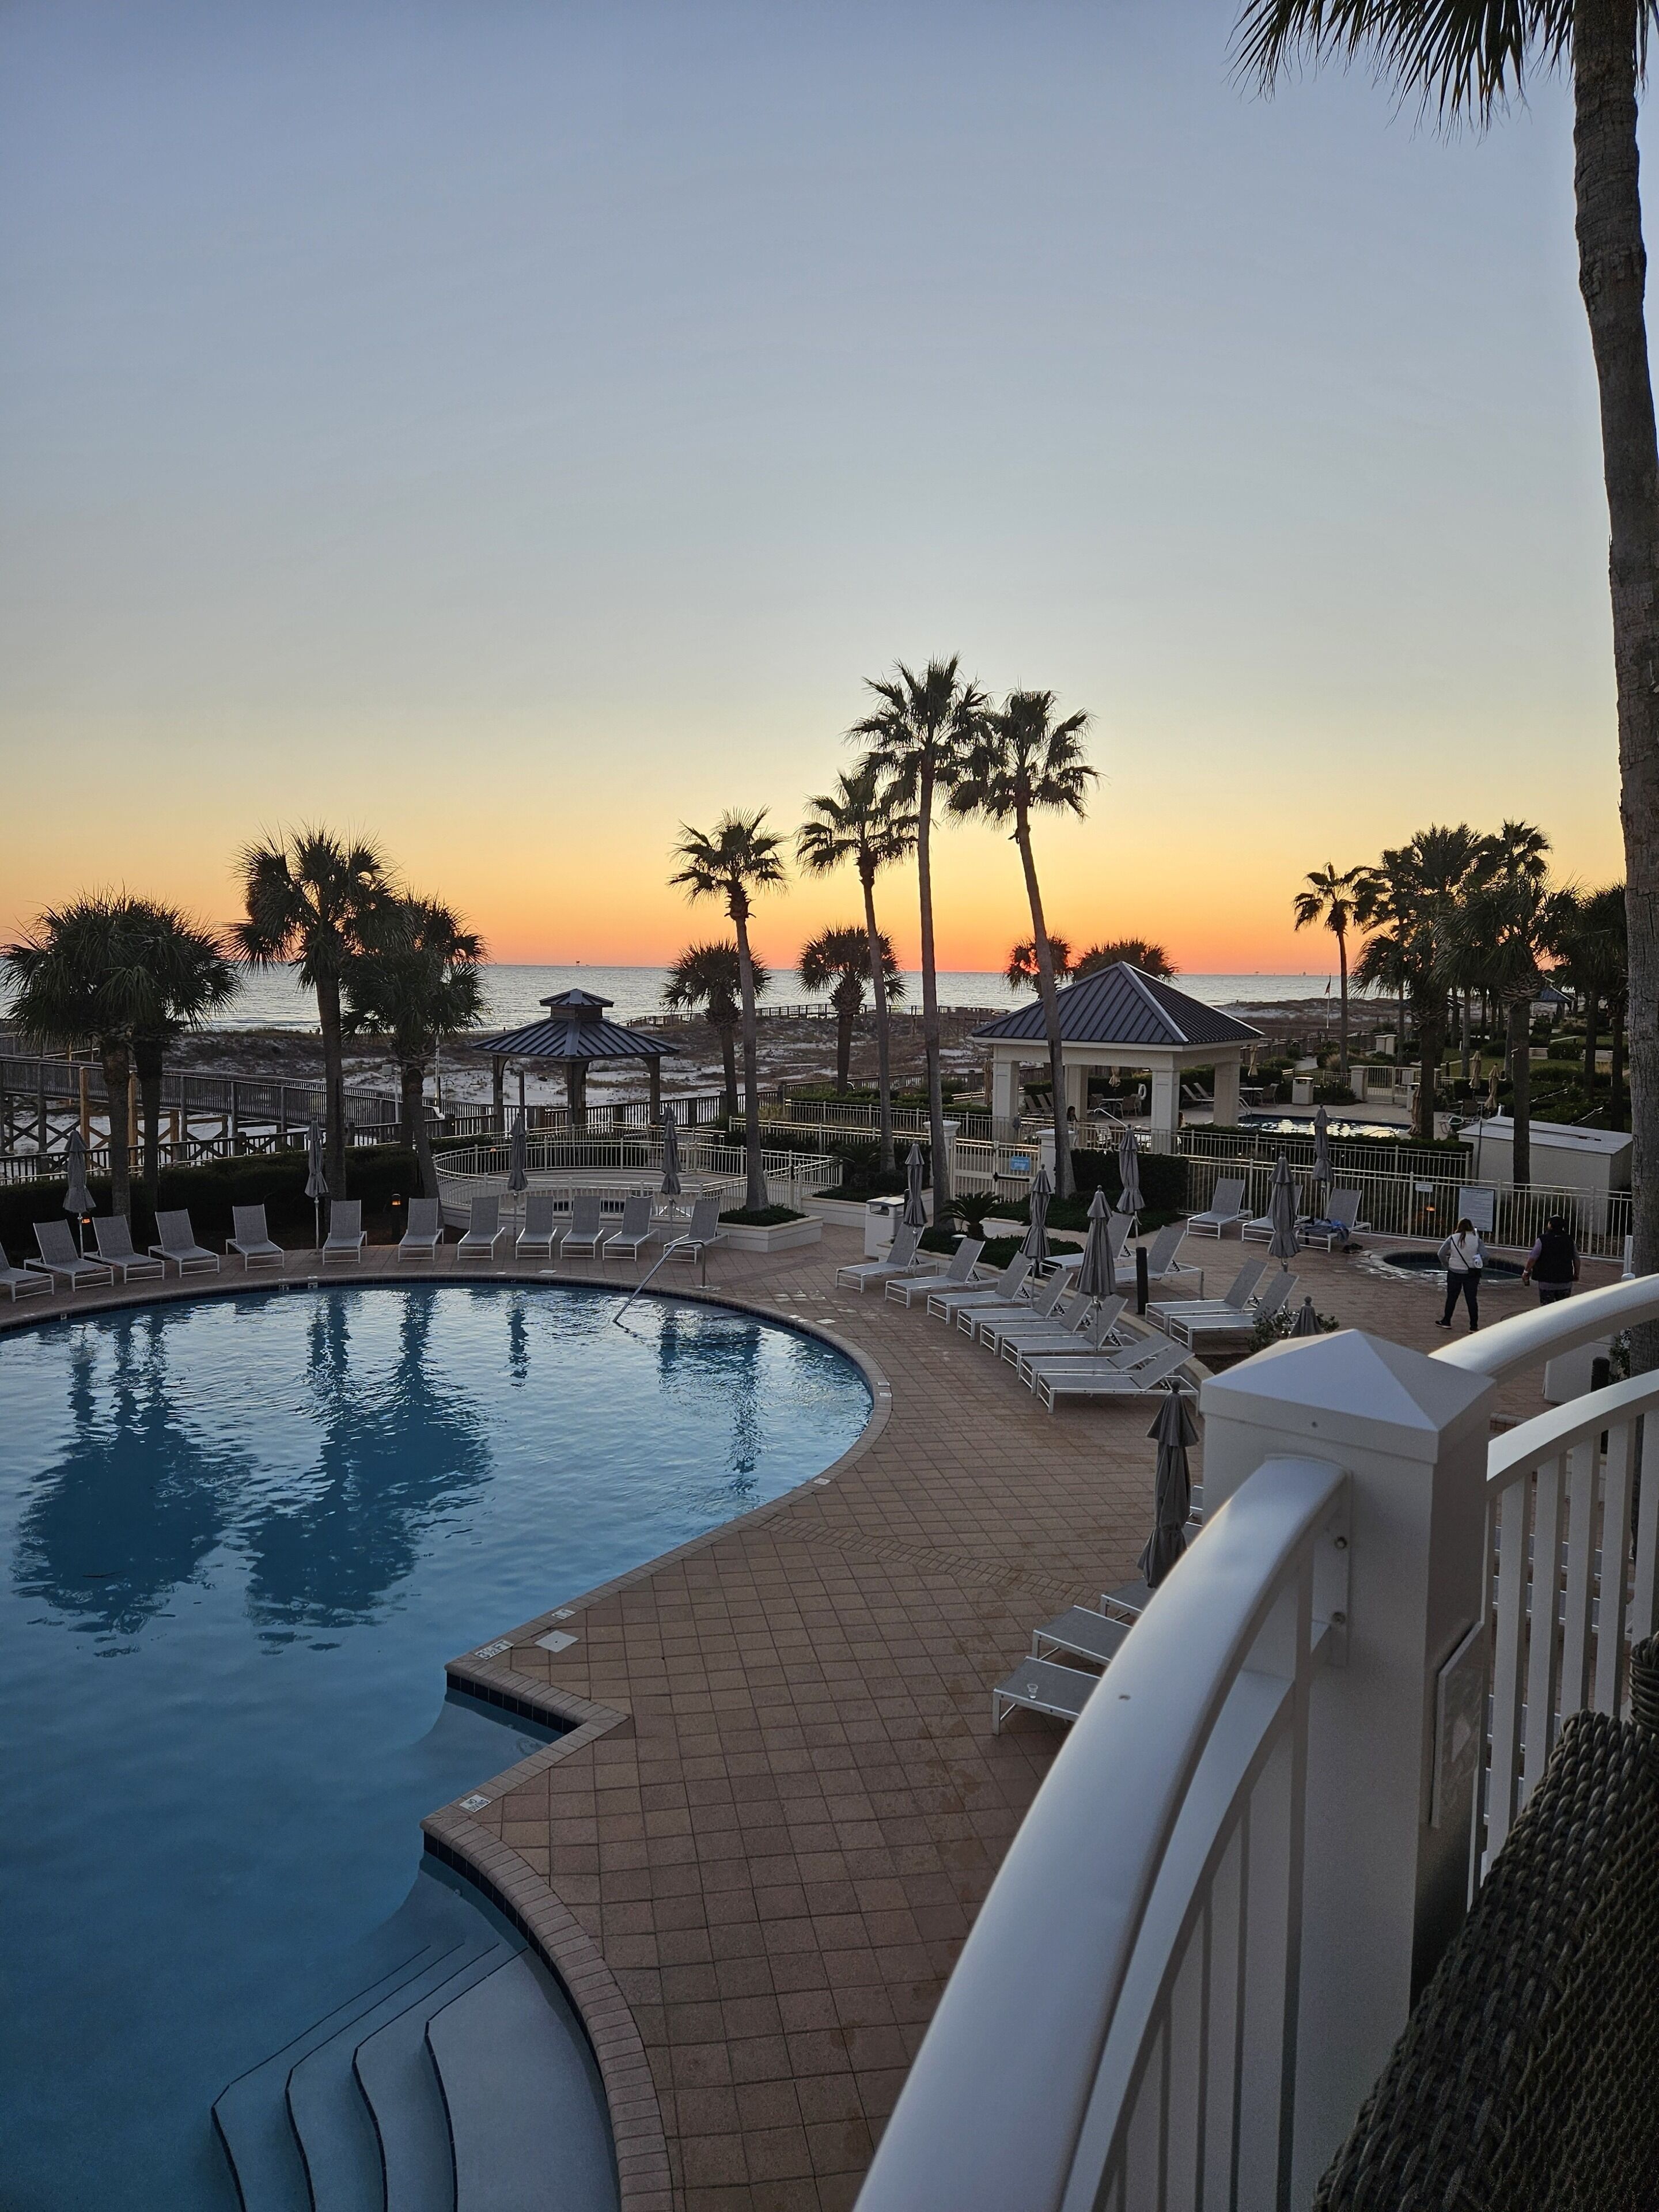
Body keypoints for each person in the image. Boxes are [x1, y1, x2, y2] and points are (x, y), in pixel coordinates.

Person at [1435, 1217, 1484, 1332]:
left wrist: (1447, 1265)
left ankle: (1447, 1321)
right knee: (1471, 1299)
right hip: (1471, 1273)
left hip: (1454, 1272)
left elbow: (1441, 1254)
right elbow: (1485, 1255)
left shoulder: (1452, 1238)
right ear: (1471, 1227)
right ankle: (1473, 1326)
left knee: (1452, 1298)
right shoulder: (1476, 1240)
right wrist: (1479, 1264)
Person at [1523, 1215, 1581, 1305]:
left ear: (1550, 1225)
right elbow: (1576, 1259)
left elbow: (1533, 1257)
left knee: (1547, 1309)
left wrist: (1526, 1271)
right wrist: (1576, 1274)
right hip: (1565, 1281)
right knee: (1563, 1309)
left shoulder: (1542, 1240)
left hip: (1546, 1282)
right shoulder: (1569, 1240)